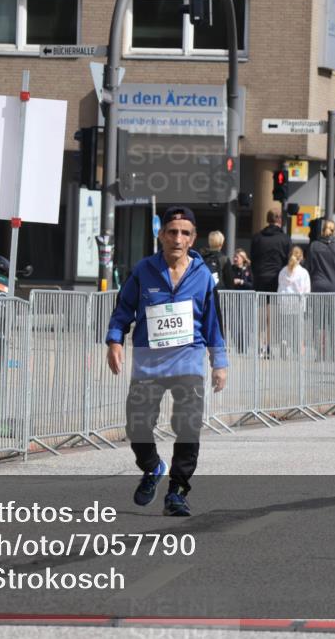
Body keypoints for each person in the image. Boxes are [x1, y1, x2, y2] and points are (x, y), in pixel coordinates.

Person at [106, 206, 228, 517]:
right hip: (149, 365)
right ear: (162, 235)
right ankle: (152, 467)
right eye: (172, 232)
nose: (177, 238)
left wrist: (219, 362)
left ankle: (177, 492)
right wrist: (114, 341)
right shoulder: (144, 270)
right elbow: (123, 310)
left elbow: (213, 323)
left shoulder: (203, 277)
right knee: (137, 426)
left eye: (185, 233)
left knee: (187, 429)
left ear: (193, 238)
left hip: (188, 363)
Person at [305, 220, 335, 293]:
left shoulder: (314, 246)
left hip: (318, 287)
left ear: (323, 230)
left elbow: (307, 267)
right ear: (334, 231)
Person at [250, 208, 290, 293]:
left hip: (259, 279)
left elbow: (253, 260)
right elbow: (288, 261)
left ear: (267, 219)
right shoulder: (285, 239)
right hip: (278, 279)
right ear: (279, 219)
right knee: (275, 306)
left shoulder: (257, 238)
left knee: (260, 305)